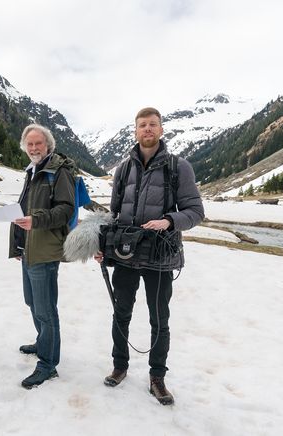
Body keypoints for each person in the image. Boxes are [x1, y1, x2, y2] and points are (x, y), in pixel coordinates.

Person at [95, 107, 204, 405]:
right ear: (135, 130)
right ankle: (120, 366)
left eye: (152, 124)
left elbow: (196, 212)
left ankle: (157, 377)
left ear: (161, 129)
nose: (147, 129)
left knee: (160, 319)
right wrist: (102, 245)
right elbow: (113, 214)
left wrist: (169, 220)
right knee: (121, 313)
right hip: (125, 255)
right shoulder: (124, 169)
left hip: (160, 256)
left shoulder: (178, 167)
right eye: (142, 125)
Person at [9, 124, 76, 389]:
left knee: (46, 309)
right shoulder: (33, 171)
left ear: (48, 145)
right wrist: (18, 243)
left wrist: (35, 221)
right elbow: (25, 208)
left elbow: (66, 210)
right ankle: (42, 342)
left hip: (45, 249)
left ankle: (48, 364)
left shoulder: (58, 172)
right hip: (29, 248)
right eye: (30, 144)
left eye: (38, 143)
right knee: (32, 302)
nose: (34, 148)